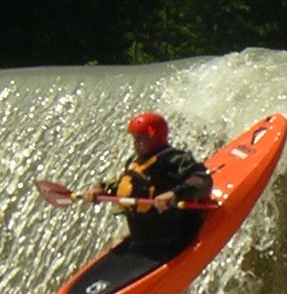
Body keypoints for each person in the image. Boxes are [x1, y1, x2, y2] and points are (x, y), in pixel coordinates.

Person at [79, 111, 213, 260]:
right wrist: (101, 191)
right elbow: (125, 186)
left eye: (140, 139)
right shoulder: (135, 161)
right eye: (134, 139)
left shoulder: (176, 159)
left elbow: (203, 180)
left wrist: (175, 194)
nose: (136, 143)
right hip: (142, 240)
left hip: (173, 238)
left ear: (155, 137)